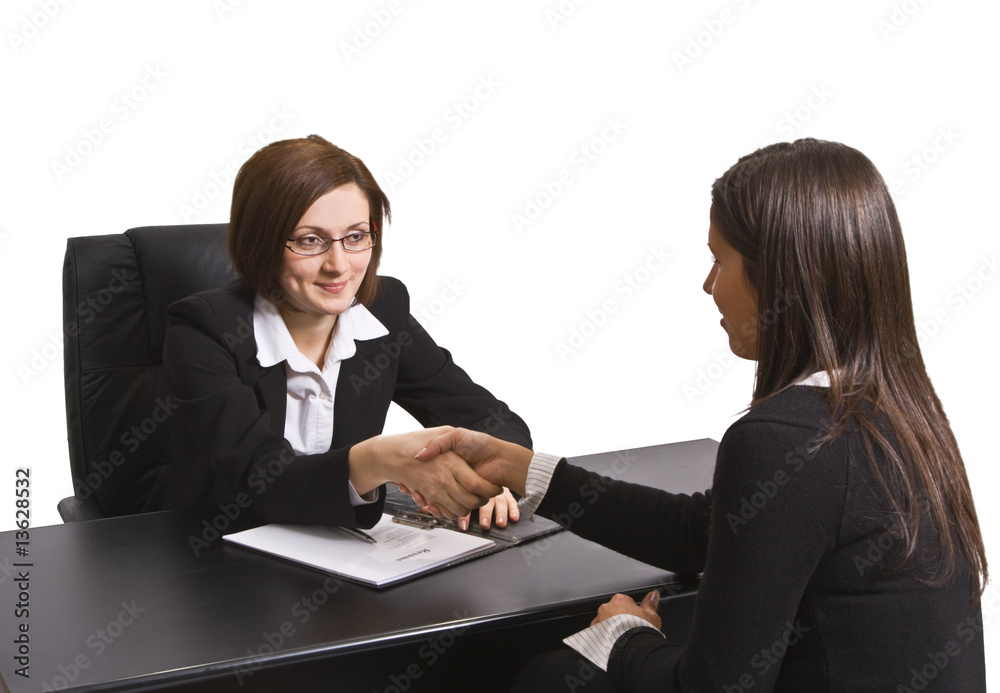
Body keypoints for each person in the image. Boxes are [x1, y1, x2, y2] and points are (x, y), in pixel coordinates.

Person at [412, 139, 988, 691]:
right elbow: (700, 535)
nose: (708, 284)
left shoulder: (783, 439)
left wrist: (623, 634)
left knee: (554, 676)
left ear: (780, 275)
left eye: (719, 260)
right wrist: (523, 468)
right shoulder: (898, 413)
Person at [151, 134, 529, 530]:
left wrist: (483, 475)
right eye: (310, 240)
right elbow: (261, 481)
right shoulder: (203, 329)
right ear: (260, 242)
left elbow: (491, 419)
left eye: (355, 236)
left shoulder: (383, 310)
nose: (338, 265)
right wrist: (380, 459)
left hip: (339, 545)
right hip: (217, 544)